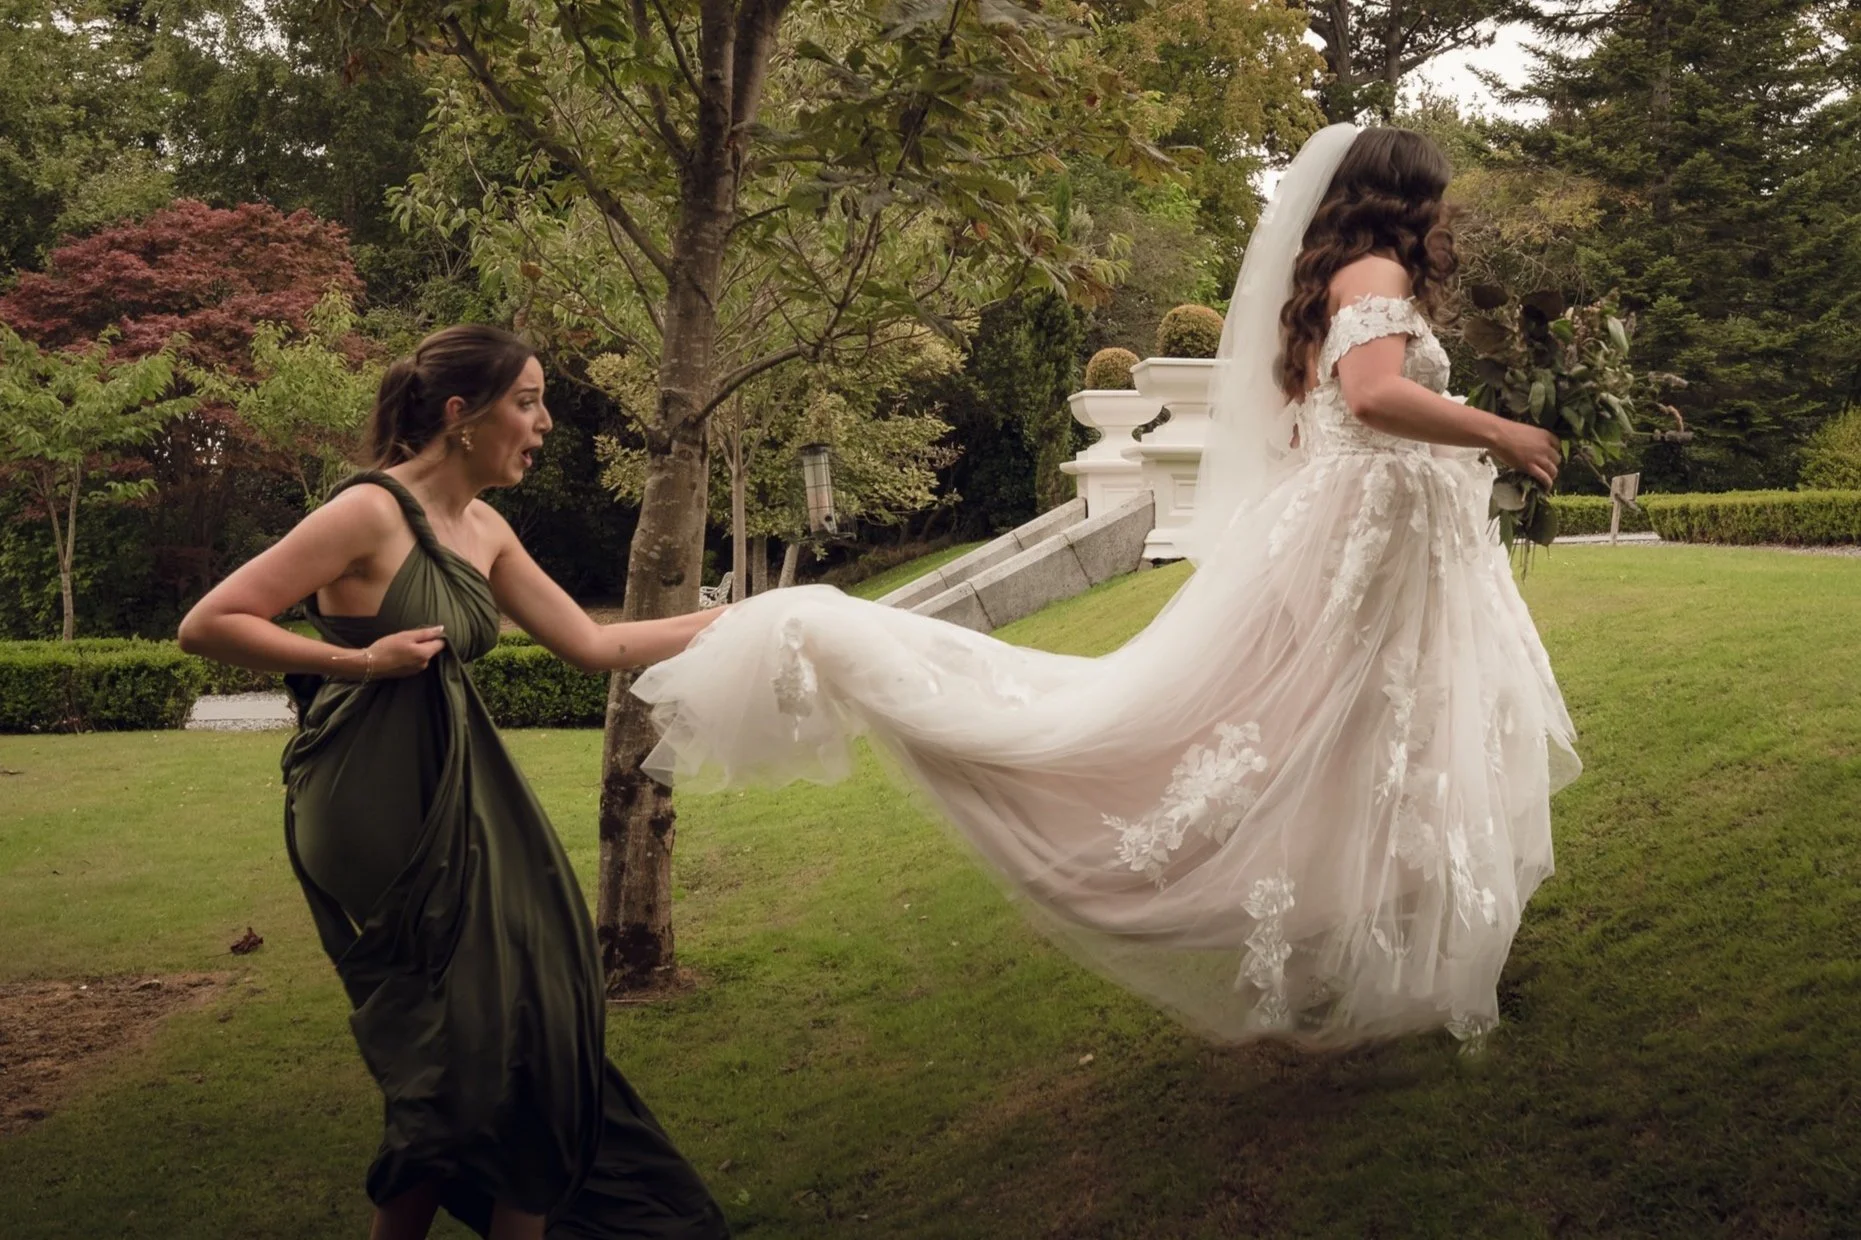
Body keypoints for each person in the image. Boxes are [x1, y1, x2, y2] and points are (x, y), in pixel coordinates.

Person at [628, 125, 1582, 1048]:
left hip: (1367, 538)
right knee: (1352, 731)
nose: (1446, 208)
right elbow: (1372, 399)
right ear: (1403, 197)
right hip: (1369, 546)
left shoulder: (1331, 285)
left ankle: (1348, 956)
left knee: (1344, 739)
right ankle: (1363, 951)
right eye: (1437, 190)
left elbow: (1331, 420)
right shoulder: (1374, 275)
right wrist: (1499, 431)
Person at [178, 325, 731, 1239]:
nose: (545, 422)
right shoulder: (369, 513)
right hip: (373, 797)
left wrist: (751, 617)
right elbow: (209, 622)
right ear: (458, 416)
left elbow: (598, 646)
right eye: (526, 401)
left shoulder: (484, 528)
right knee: (469, 1039)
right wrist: (363, 663)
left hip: (458, 785)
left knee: (539, 1014)